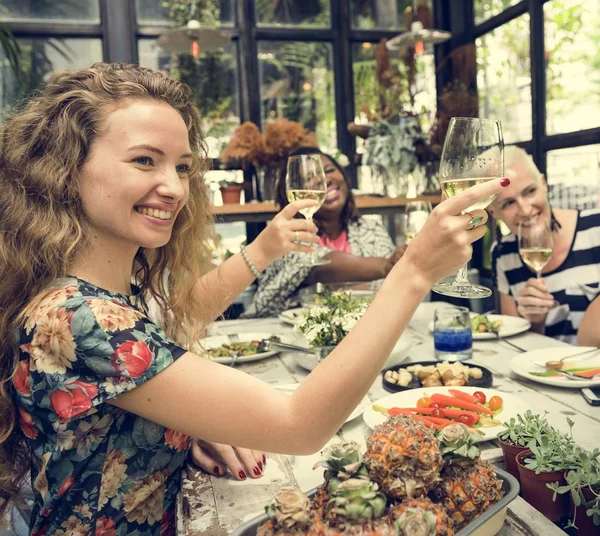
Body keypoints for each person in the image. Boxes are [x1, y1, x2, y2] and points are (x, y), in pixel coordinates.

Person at [0, 63, 504, 536]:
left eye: (183, 166)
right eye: (144, 160)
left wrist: (175, 425)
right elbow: (300, 425)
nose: (174, 188)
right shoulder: (77, 316)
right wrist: (413, 272)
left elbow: (175, 323)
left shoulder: (98, 289)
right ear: (66, 169)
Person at [243, 146, 407, 318]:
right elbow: (317, 269)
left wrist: (334, 290)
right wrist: (385, 266)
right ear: (290, 191)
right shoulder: (286, 235)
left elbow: (393, 286)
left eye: (328, 170)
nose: (324, 180)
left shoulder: (371, 229)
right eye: (309, 178)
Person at [489, 146, 600, 344]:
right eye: (508, 204)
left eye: (529, 192)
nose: (525, 210)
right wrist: (534, 322)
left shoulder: (595, 229)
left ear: (544, 183)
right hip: (543, 371)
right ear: (494, 212)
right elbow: (516, 346)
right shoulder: (502, 253)